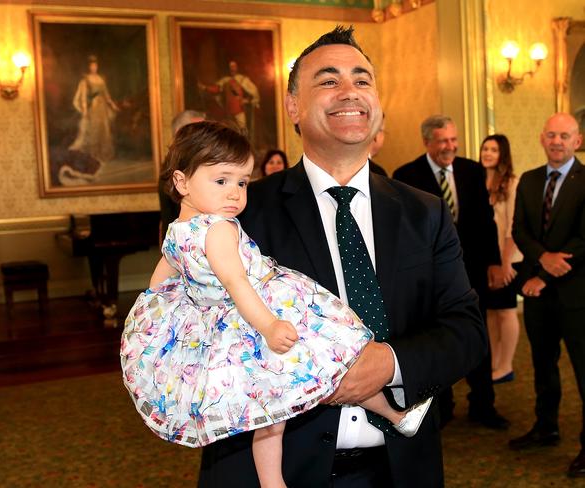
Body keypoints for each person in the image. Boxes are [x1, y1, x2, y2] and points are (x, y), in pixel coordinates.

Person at [199, 26, 487, 487]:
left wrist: (389, 363)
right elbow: (198, 338)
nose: (349, 91)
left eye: (362, 79)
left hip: (399, 471)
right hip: (272, 469)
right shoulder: (241, 214)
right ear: (293, 105)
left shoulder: (424, 212)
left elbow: (466, 329)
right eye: (329, 80)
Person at [121, 121, 433, 488]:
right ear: (181, 182)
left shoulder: (176, 231)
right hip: (259, 314)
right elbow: (237, 284)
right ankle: (395, 417)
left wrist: (150, 324)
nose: (235, 194)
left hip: (225, 327)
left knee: (269, 411)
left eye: (242, 182)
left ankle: (275, 481)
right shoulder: (218, 230)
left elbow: (159, 284)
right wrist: (270, 326)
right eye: (221, 181)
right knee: (332, 358)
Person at [393, 115, 509, 431]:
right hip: (429, 278)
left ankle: (483, 404)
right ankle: (441, 408)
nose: (450, 146)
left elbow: (487, 222)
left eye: (454, 139)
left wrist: (495, 262)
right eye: (444, 141)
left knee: (476, 335)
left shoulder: (472, 171)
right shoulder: (406, 175)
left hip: (471, 273)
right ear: (427, 141)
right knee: (435, 341)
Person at [509, 113, 585, 478]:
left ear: (578, 141)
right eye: (551, 134)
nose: (557, 141)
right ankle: (546, 427)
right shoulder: (529, 179)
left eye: (565, 136)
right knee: (542, 364)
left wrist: (547, 273)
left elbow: (584, 239)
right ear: (542, 138)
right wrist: (541, 263)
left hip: (577, 293)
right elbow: (519, 230)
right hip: (536, 291)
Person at [479, 134, 522, 384]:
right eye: (485, 148)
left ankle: (506, 366)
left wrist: (505, 264)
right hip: (487, 259)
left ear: (502, 154)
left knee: (506, 312)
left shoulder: (512, 184)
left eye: (493, 150)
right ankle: (494, 364)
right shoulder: (478, 182)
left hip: (508, 259)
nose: (487, 153)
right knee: (491, 314)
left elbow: (512, 229)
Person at [158, 110, 206, 242]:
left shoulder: (187, 161)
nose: (207, 136)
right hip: (186, 244)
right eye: (200, 131)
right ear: (181, 133)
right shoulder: (176, 165)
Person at [69, 55, 119, 163]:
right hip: (93, 107)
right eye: (91, 66)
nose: (94, 67)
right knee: (94, 129)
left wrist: (112, 105)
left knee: (104, 130)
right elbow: (83, 97)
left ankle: (104, 154)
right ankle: (93, 155)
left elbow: (106, 95)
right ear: (89, 67)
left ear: (97, 66)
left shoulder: (101, 79)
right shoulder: (86, 79)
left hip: (102, 109)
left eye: (95, 65)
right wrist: (85, 110)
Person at [199, 60, 260, 140]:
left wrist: (246, 101)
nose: (232, 68)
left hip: (240, 110)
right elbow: (216, 89)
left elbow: (254, 93)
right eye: (231, 67)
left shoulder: (242, 79)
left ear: (237, 68)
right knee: (230, 133)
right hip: (228, 111)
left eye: (234, 66)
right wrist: (205, 87)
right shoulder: (225, 80)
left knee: (243, 132)